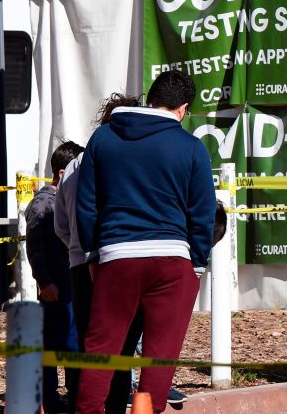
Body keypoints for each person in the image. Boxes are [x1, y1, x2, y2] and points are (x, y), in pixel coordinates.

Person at [75, 70, 215, 414]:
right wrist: (196, 263)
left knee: (101, 351)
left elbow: (87, 204)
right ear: (182, 109)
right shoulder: (191, 146)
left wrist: (94, 254)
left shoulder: (103, 139)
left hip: (116, 254)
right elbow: (203, 213)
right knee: (159, 358)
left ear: (151, 99)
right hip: (172, 258)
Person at [26, 140, 84, 413]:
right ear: (63, 174)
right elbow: (35, 248)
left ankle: (73, 396)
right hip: (56, 288)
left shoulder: (61, 201)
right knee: (54, 344)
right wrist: (45, 281)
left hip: (69, 286)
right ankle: (50, 399)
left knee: (73, 343)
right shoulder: (42, 206)